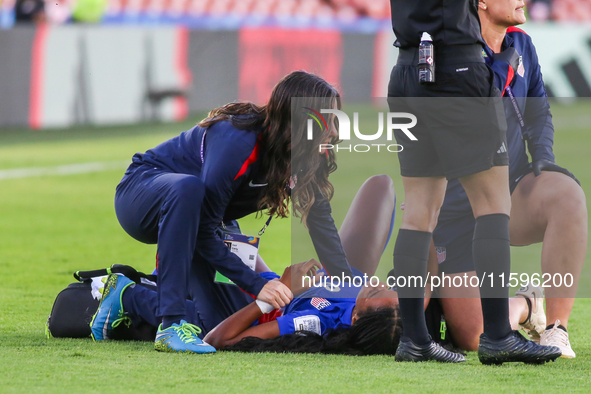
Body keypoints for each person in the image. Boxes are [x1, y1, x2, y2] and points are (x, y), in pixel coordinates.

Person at [90, 71, 357, 354]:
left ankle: (128, 293)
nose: (335, 131)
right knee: (189, 189)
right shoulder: (239, 141)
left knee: (214, 327)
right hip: (141, 197)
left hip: (203, 222)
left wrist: (350, 287)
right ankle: (169, 324)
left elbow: (321, 223)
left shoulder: (307, 153)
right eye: (328, 120)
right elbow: (204, 227)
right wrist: (257, 286)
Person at [386, 0, 561, 364]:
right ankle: (498, 336)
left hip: (407, 68)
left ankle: (414, 340)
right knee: (494, 204)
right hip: (457, 69)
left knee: (418, 210)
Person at [90, 174, 400, 353]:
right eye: (384, 284)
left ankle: (126, 293)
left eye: (373, 293)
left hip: (243, 313)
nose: (374, 283)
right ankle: (169, 276)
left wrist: (275, 292)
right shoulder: (378, 302)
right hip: (267, 288)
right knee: (216, 220)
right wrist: (268, 274)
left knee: (195, 316)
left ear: (357, 318)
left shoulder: (319, 323)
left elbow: (219, 340)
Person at [432, 0, 586, 359]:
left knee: (567, 194)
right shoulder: (455, 51)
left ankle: (557, 330)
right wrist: (502, 70)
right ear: (481, 2)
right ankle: (528, 305)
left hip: (510, 194)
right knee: (476, 336)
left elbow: (539, 111)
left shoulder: (522, 44)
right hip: (456, 210)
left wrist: (543, 160)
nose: (523, 0)